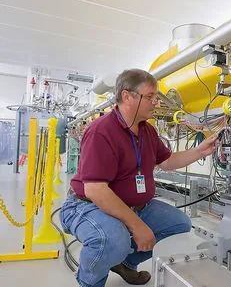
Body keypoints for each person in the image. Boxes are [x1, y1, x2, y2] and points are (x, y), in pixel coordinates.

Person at [60, 69, 216, 287]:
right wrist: (138, 227)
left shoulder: (147, 131)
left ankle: (125, 263)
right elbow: (95, 190)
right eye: (150, 96)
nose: (156, 103)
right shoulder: (102, 131)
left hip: (135, 205)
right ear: (127, 96)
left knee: (179, 224)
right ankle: (90, 282)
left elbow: (167, 161)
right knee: (112, 240)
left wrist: (200, 151)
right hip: (87, 205)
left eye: (156, 97)